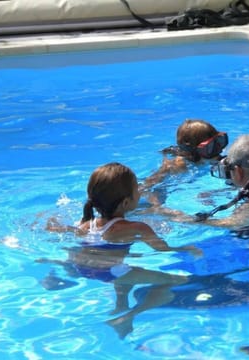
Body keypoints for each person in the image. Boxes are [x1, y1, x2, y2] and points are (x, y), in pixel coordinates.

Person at [45, 162, 200, 338]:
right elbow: (163, 249)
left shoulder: (87, 223)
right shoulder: (137, 227)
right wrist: (185, 248)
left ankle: (121, 305)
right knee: (176, 280)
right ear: (126, 202)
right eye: (137, 190)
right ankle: (129, 315)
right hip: (111, 272)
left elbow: (77, 237)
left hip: (83, 268)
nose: (140, 192)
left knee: (125, 270)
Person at [141, 118, 228, 204]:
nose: (219, 149)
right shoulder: (177, 166)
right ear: (194, 150)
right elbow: (147, 186)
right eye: (211, 146)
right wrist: (157, 207)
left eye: (220, 141)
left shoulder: (216, 157)